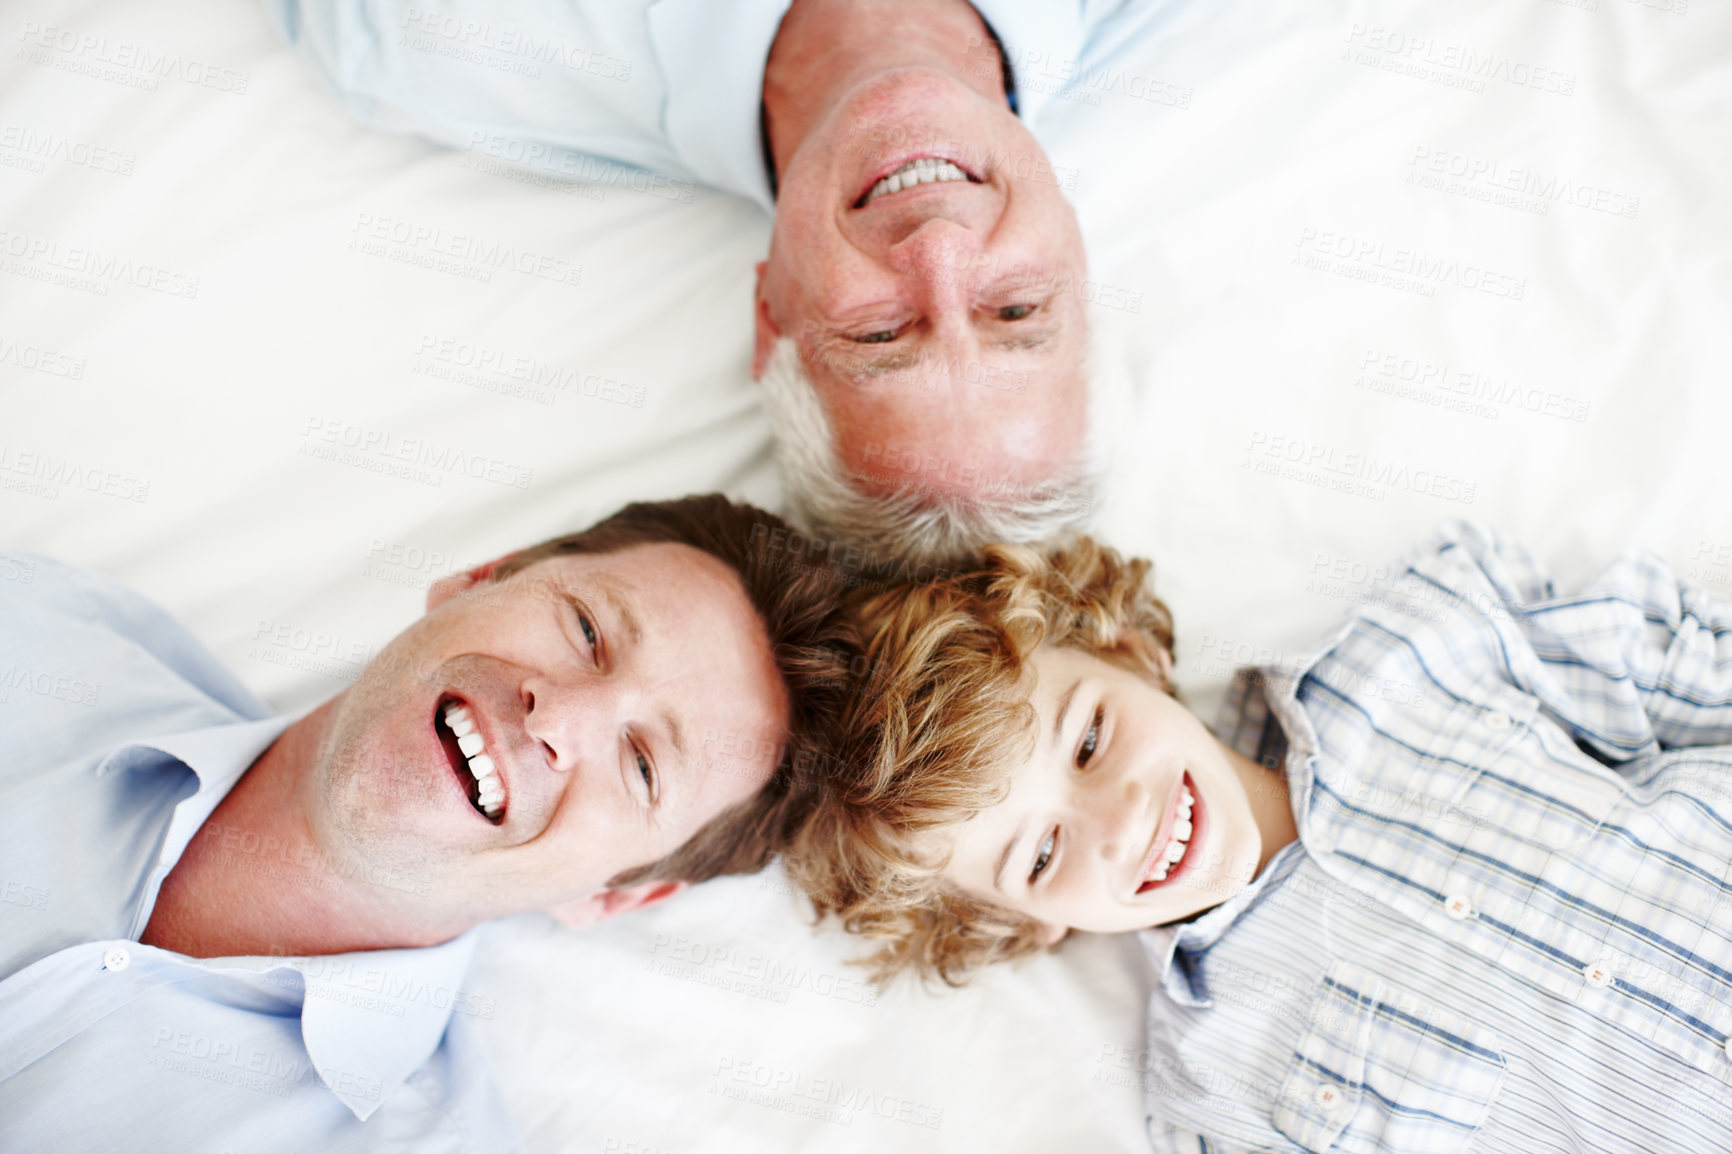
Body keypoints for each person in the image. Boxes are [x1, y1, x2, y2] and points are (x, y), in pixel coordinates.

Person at [787, 523, 1732, 1152]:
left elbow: (1693, 673)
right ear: (1016, 925)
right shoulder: (1213, 1095)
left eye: (1089, 739)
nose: (1119, 823)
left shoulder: (1414, 654)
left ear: (1126, 651)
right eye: (1038, 856)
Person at [0, 494, 855, 1152]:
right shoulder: (37, 634)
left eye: (641, 766)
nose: (556, 718)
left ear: (616, 899)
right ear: (481, 575)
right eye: (586, 629)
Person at [268, 0, 1144, 557]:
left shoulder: (423, 37)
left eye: (881, 334)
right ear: (1077, 253)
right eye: (1016, 308)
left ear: (772, 316)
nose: (940, 249)